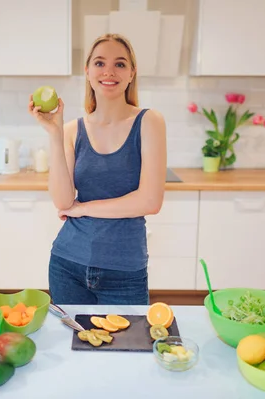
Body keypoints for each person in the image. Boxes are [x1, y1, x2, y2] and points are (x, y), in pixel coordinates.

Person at [28, 33, 167, 305]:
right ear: (88, 72)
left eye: (120, 64)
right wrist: (54, 134)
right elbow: (62, 200)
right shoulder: (71, 130)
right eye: (100, 63)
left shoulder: (149, 121)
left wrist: (83, 208)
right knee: (73, 346)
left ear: (131, 74)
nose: (109, 71)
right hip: (67, 264)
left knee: (126, 345)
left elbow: (150, 201)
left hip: (125, 270)